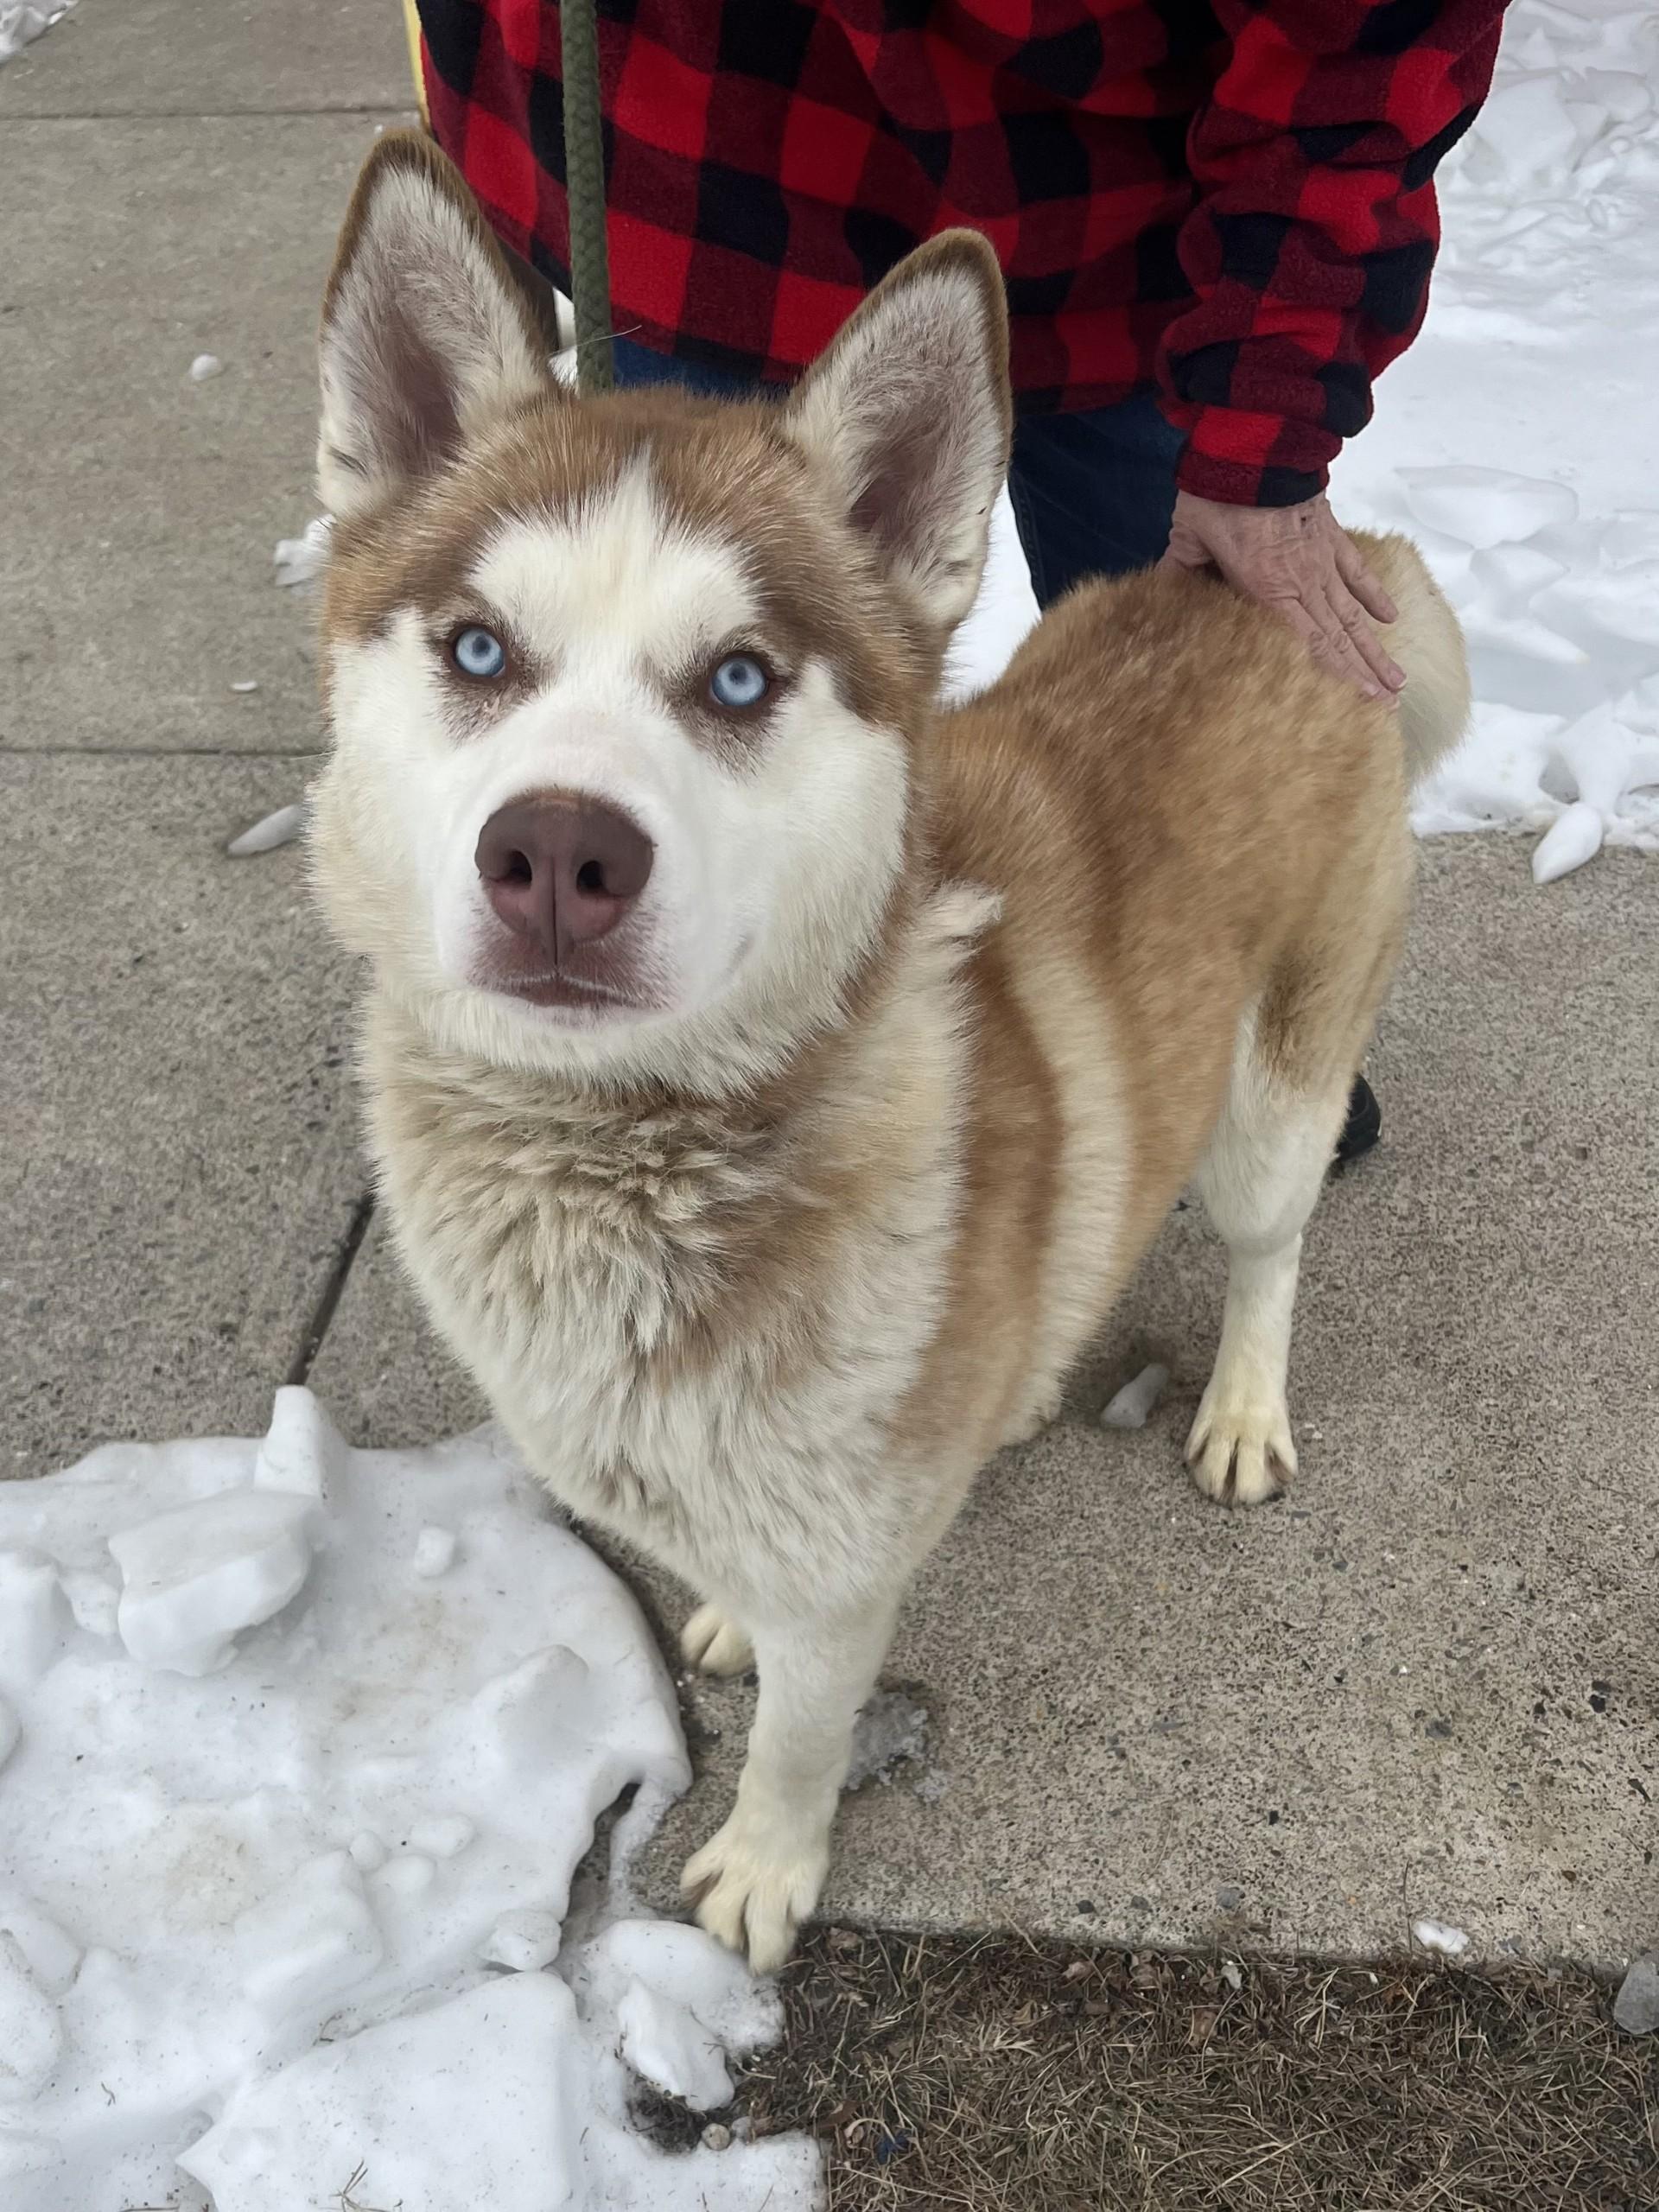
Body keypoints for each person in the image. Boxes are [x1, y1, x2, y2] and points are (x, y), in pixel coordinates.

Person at [404, 0, 1506, 1158]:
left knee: (1195, 750)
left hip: (1128, 226)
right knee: (705, 755)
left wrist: (1267, 414)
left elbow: (1369, 32)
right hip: (707, 168)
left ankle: (1236, 1040)